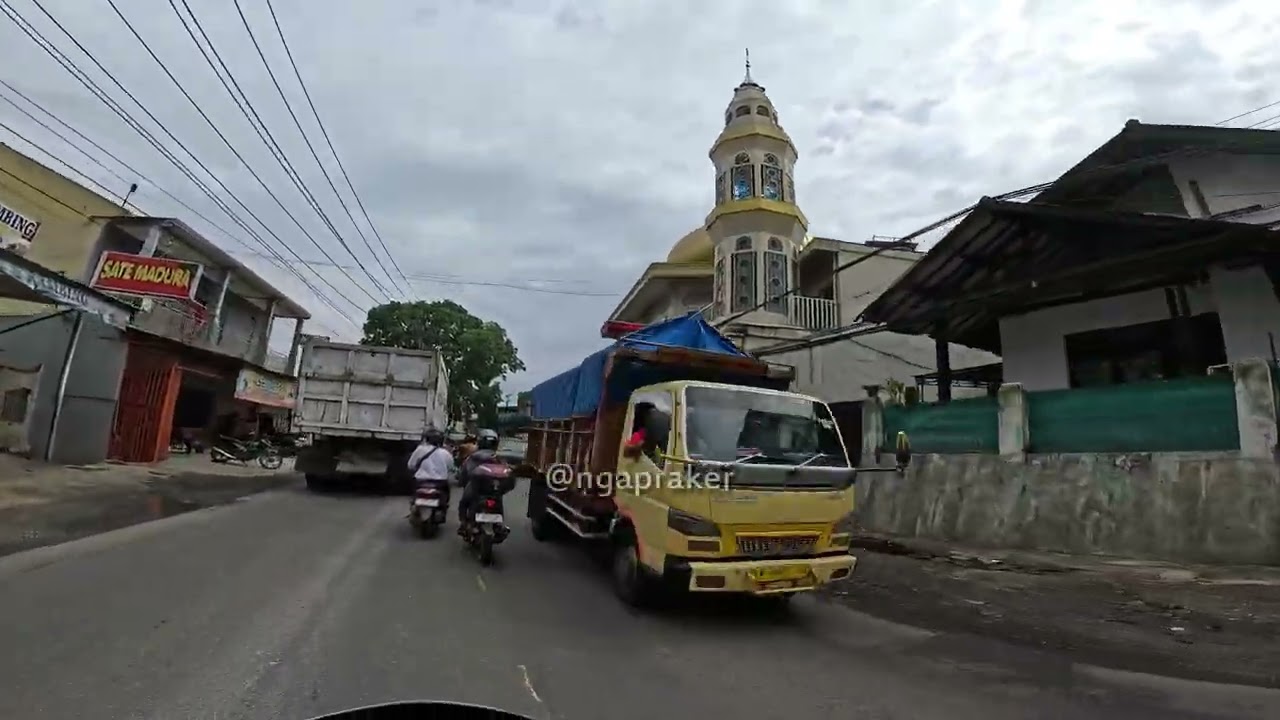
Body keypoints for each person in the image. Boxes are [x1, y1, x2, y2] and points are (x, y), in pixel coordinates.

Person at [457, 429, 501, 525]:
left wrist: (461, 482)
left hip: (475, 487)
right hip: (492, 488)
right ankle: (499, 525)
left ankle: (463, 522)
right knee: (498, 500)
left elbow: (464, 473)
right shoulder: (497, 458)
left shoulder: (473, 457)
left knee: (464, 503)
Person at [407, 427, 454, 500]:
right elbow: (451, 467)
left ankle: (413, 502)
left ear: (426, 439)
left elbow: (411, 465)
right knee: (445, 495)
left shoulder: (420, 449)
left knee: (413, 492)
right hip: (440, 482)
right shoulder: (445, 453)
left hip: (421, 480)